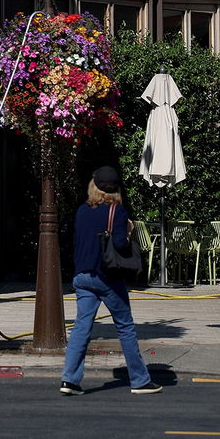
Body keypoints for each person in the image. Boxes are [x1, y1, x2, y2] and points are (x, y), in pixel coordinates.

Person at [60, 166, 162, 395]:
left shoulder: (82, 211)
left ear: (93, 185)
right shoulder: (117, 211)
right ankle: (139, 380)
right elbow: (119, 245)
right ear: (115, 189)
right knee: (125, 327)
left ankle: (70, 380)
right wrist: (128, 232)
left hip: (82, 275)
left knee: (81, 328)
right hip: (107, 277)